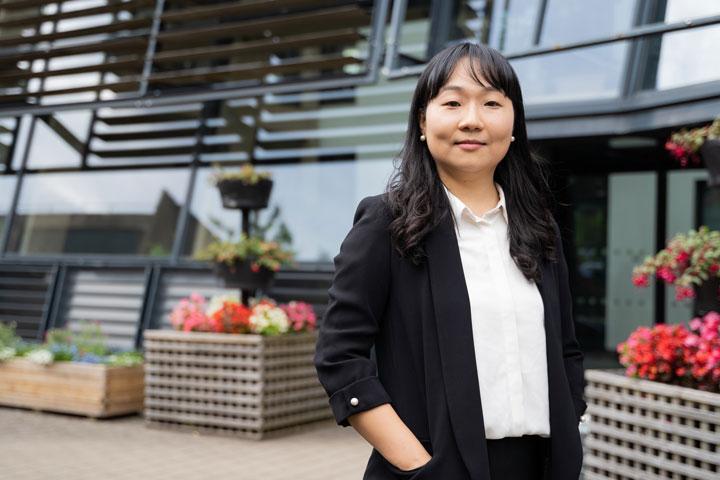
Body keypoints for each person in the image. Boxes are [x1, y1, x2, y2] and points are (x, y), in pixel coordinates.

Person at [313, 41, 587, 480]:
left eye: (493, 103)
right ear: (423, 121)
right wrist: (421, 467)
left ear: (513, 123)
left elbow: (567, 349)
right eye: (453, 102)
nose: (472, 120)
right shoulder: (388, 223)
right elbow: (339, 356)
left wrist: (570, 423)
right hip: (435, 468)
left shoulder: (539, 228)